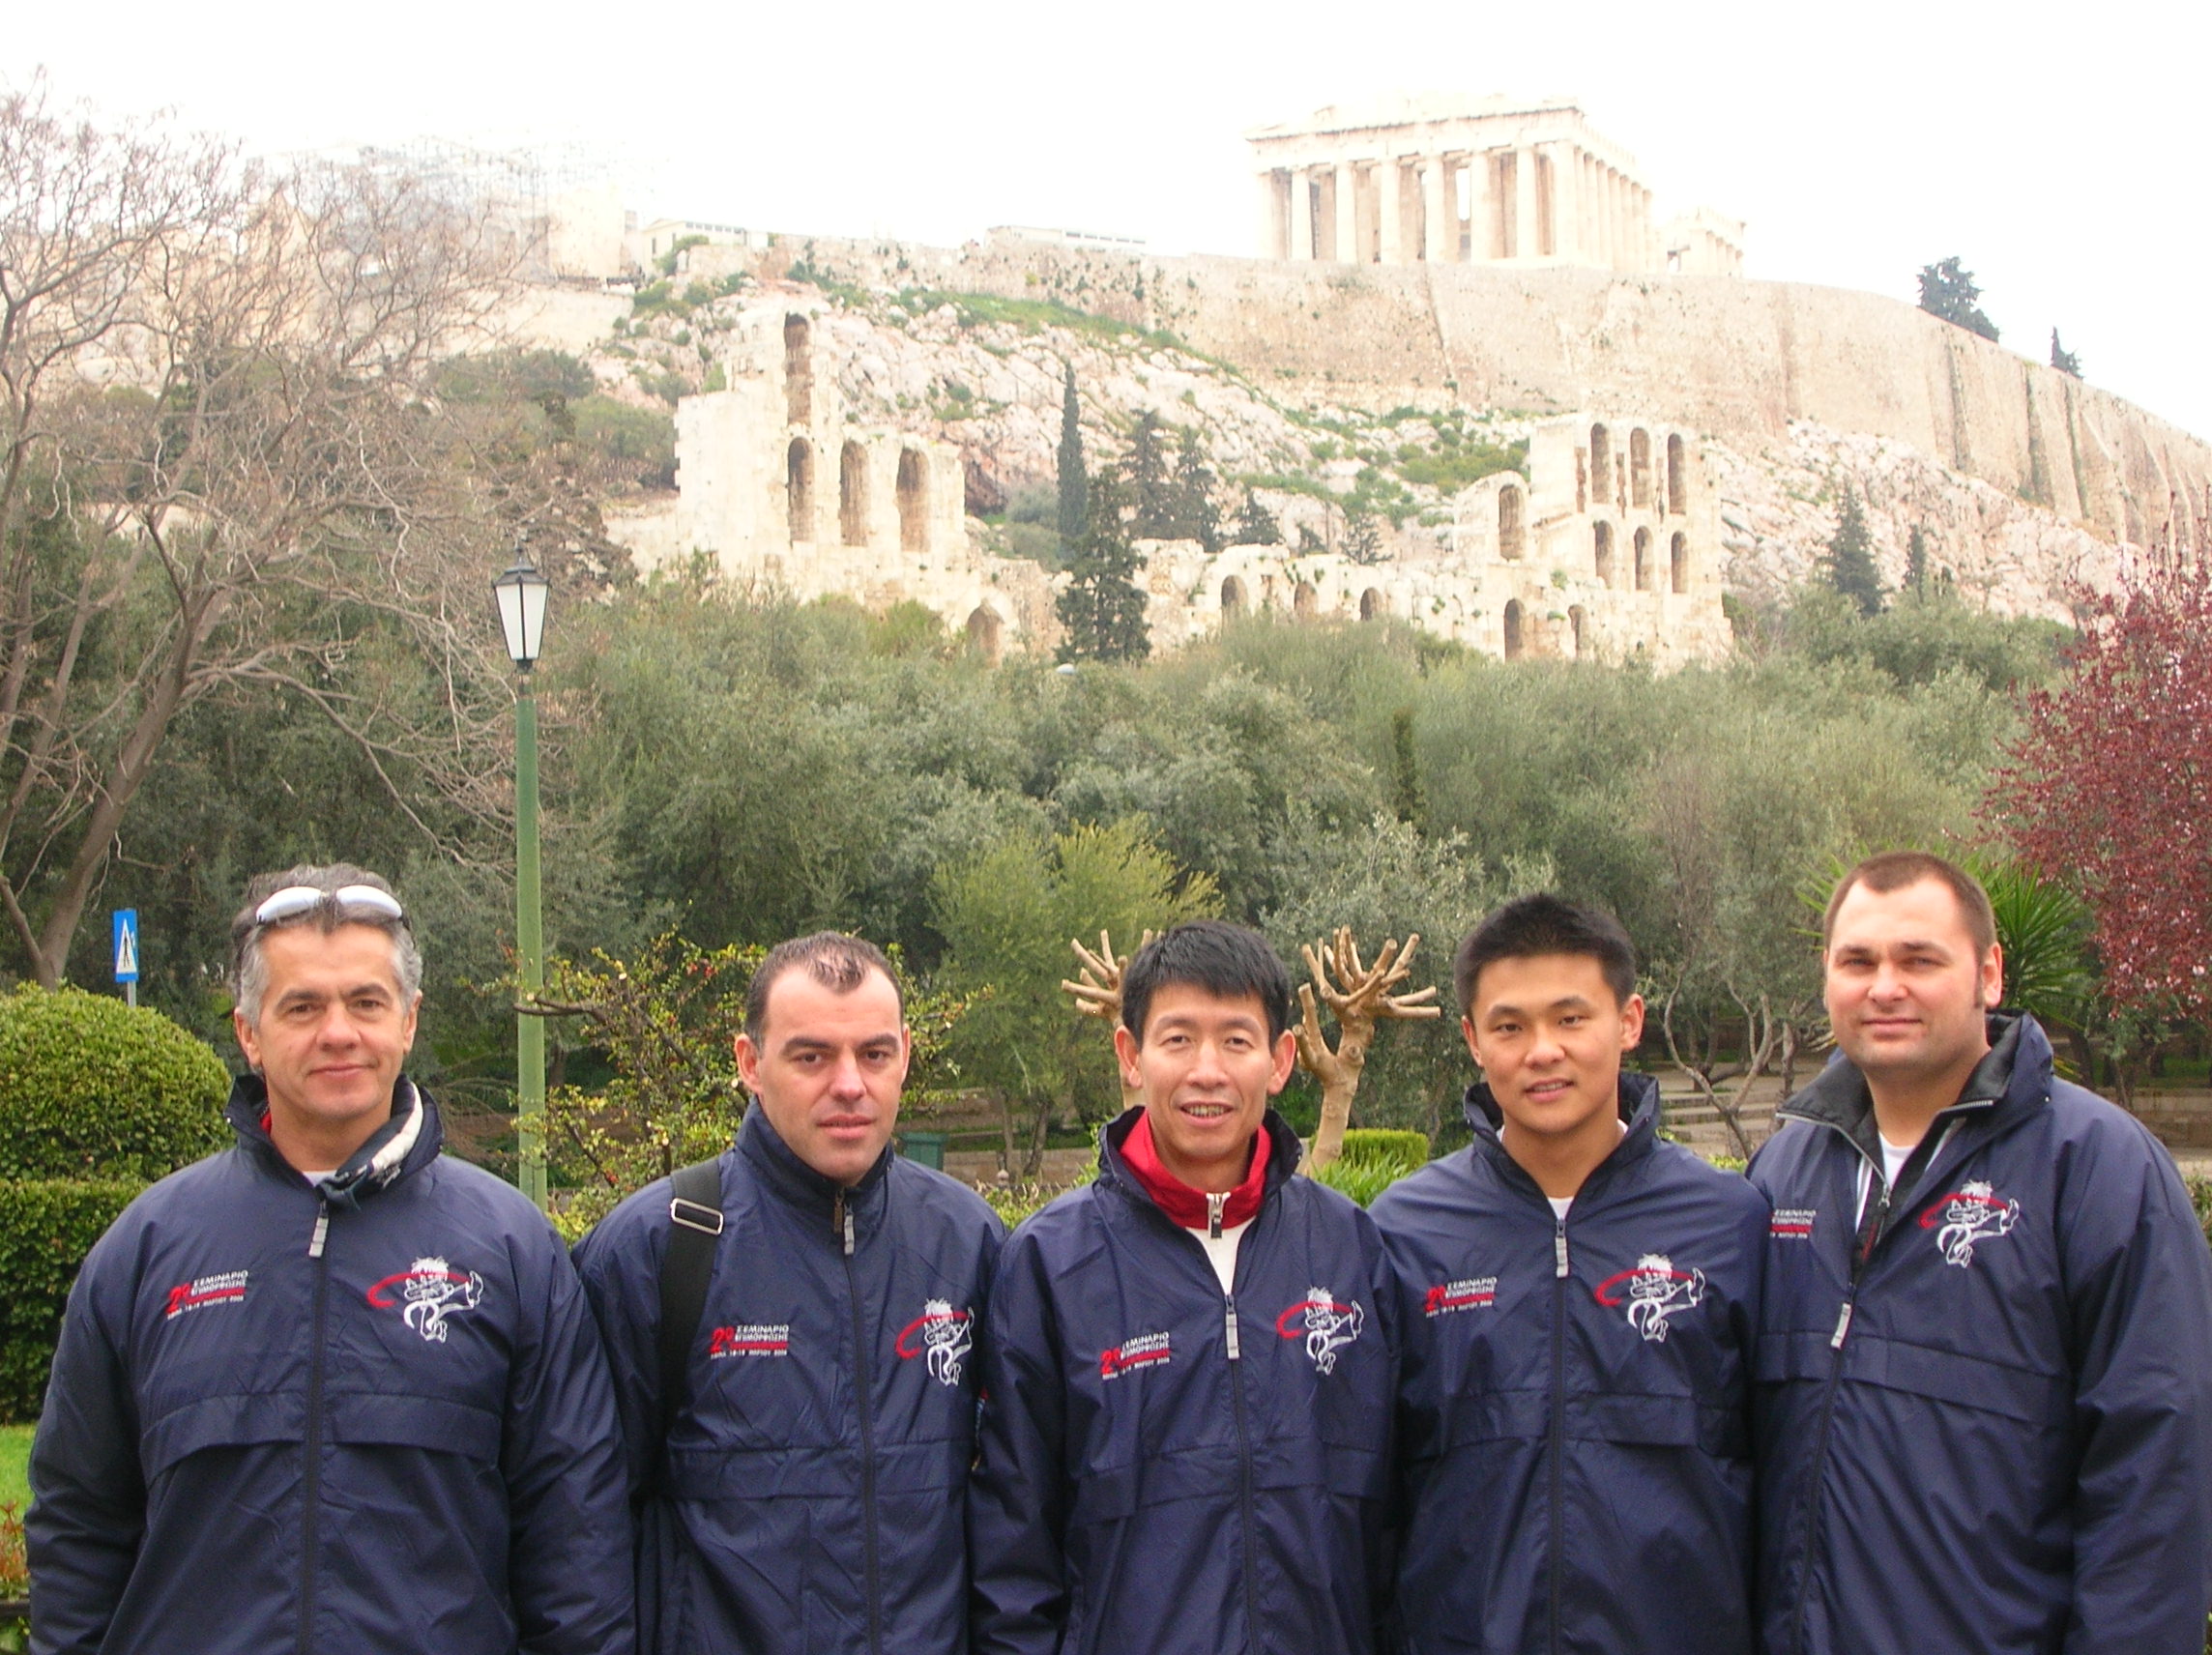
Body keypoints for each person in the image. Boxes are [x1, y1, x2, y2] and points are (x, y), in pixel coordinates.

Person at [28, 864, 632, 1655]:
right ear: (249, 1033)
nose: (338, 1032)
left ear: (408, 1021)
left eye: (366, 1003)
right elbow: (78, 1524)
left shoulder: (512, 1252)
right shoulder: (146, 1251)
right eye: (302, 1006)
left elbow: (576, 1541)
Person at [1752, 851, 2212, 1654]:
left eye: (1919, 960)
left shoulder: (2099, 1170)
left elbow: (2157, 1479)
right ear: (1826, 977)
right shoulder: (1782, 1172)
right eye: (1858, 962)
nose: (1885, 987)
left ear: (1989, 974)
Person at [968, 919, 1396, 1655]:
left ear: (1280, 1060)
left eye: (1236, 1040)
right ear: (1130, 1055)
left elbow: (1395, 1519)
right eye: (1178, 1039)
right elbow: (1014, 1546)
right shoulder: (1051, 1263)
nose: (1207, 1071)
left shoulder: (1348, 1248)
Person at [572, 932, 1004, 1654]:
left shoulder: (969, 1242)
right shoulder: (659, 1247)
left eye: (874, 1054)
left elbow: (1017, 1515)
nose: (849, 1084)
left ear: (905, 1055)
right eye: (812, 1057)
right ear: (750, 1063)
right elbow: (578, 1530)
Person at [1371, 893, 1764, 1655]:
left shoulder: (1729, 1224)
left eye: (1571, 1018)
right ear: (1472, 1039)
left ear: (1629, 1021)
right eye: (1509, 1027)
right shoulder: (1404, 1233)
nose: (1542, 1051)